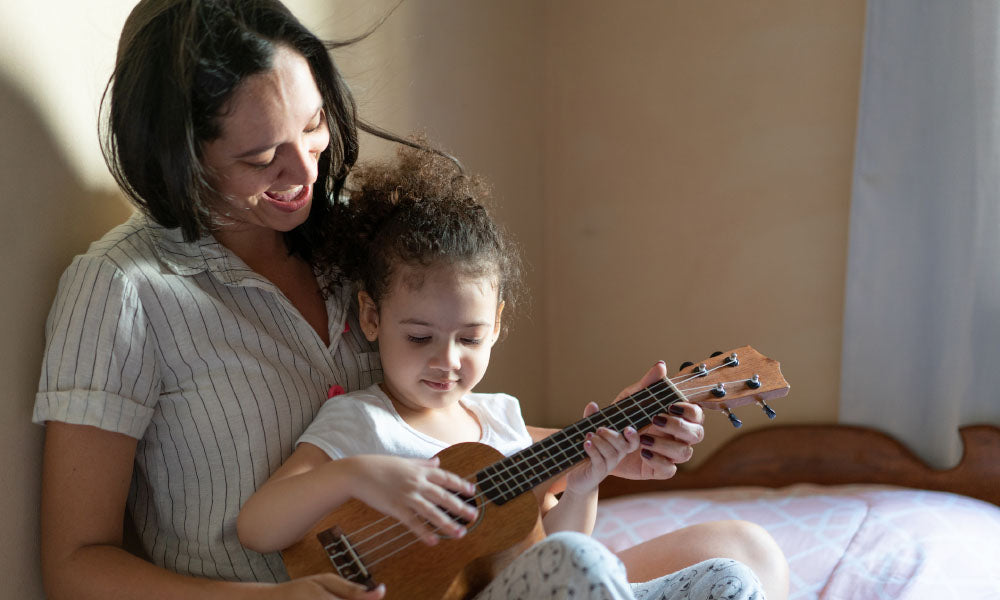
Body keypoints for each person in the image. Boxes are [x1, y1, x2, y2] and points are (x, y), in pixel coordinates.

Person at [32, 1, 786, 599]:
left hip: (447, 578)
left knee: (742, 551)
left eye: (314, 125)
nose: (303, 171)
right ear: (178, 154)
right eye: (261, 157)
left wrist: (610, 440)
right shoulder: (123, 291)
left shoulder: (362, 248)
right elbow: (75, 566)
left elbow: (445, 441)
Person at [237, 146, 772, 600]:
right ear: (373, 318)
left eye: (469, 338)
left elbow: (545, 559)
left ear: (497, 324)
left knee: (730, 577)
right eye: (419, 337)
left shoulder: (502, 421)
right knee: (582, 561)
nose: (447, 361)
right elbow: (258, 528)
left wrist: (584, 487)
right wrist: (356, 474)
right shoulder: (361, 422)